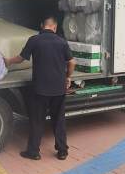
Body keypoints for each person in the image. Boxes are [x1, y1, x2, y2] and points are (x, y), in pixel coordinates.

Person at [4, 16, 75, 161]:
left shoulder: (34, 40)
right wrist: (67, 77)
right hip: (59, 88)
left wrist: (9, 61)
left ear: (42, 25)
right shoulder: (62, 42)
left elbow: (21, 58)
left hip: (41, 88)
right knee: (59, 119)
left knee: (37, 120)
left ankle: (33, 152)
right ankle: (62, 151)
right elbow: (72, 62)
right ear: (55, 27)